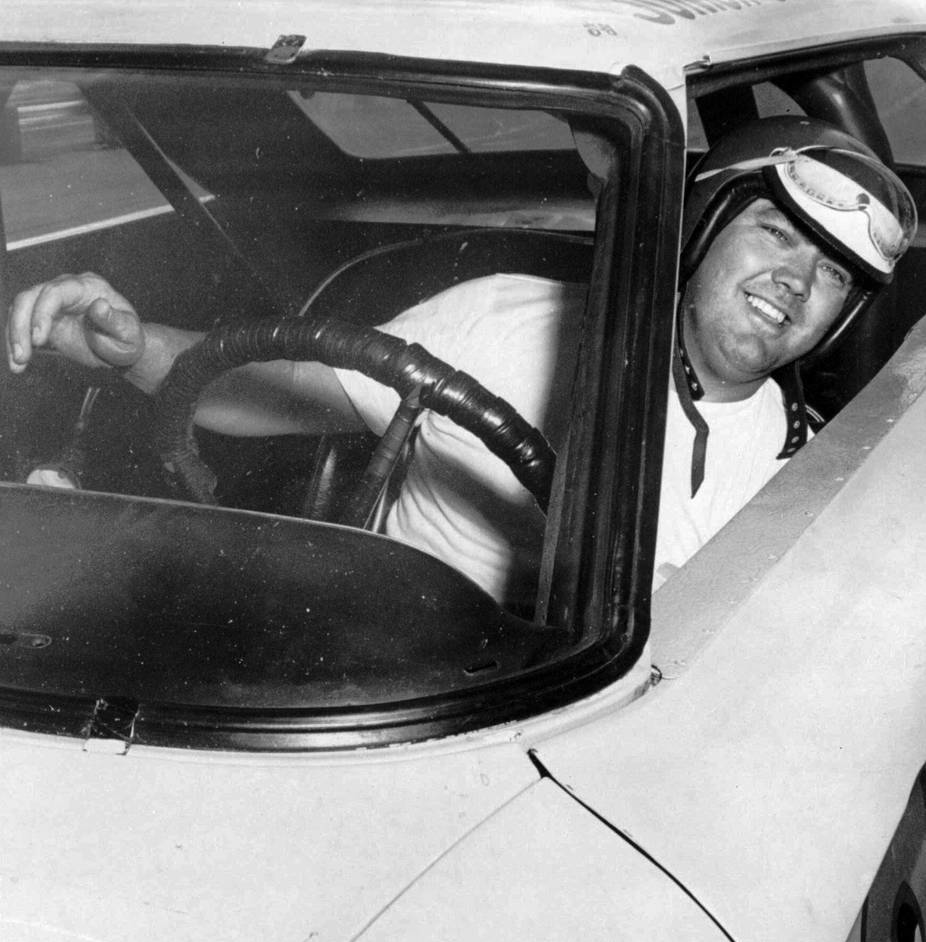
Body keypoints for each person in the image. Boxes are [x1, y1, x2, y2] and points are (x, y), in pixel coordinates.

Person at [4, 116, 917, 603]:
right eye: (774, 234)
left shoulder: (808, 467)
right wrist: (127, 349)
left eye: (832, 273)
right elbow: (273, 392)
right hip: (393, 669)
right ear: (704, 228)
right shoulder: (511, 319)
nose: (794, 282)